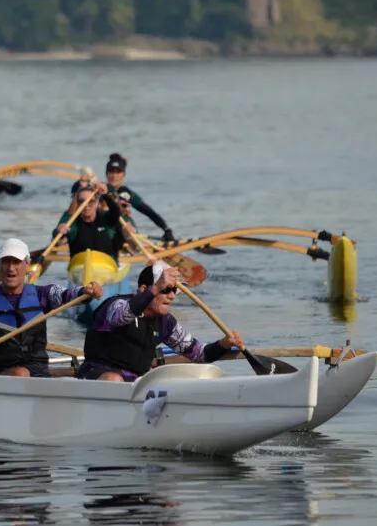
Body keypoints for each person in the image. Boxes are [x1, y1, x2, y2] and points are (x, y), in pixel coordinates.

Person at [0, 238, 104, 377]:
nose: (10, 268)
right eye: (6, 261)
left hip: (39, 374)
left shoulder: (43, 295)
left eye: (16, 262)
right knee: (21, 373)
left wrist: (87, 291)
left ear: (27, 264)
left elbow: (70, 295)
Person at [79, 263, 243, 382]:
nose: (171, 296)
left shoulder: (166, 322)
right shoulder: (116, 304)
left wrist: (224, 344)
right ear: (144, 290)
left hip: (136, 384)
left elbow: (199, 354)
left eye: (174, 290)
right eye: (165, 290)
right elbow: (121, 316)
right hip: (98, 376)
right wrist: (157, 287)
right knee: (114, 379)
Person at [70, 154, 176, 243]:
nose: (114, 176)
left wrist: (166, 229)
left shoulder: (127, 193)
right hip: (103, 227)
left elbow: (148, 212)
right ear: (106, 174)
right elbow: (76, 192)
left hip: (123, 228)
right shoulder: (97, 189)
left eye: (118, 172)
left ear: (123, 175)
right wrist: (81, 183)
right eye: (111, 172)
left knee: (126, 223)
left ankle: (131, 244)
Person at [53, 182, 122, 260]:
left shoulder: (105, 218)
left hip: (106, 266)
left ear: (96, 202)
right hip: (79, 267)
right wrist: (59, 231)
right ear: (78, 204)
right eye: (82, 201)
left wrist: (106, 195)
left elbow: (116, 212)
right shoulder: (73, 224)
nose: (86, 205)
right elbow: (57, 236)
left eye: (91, 201)